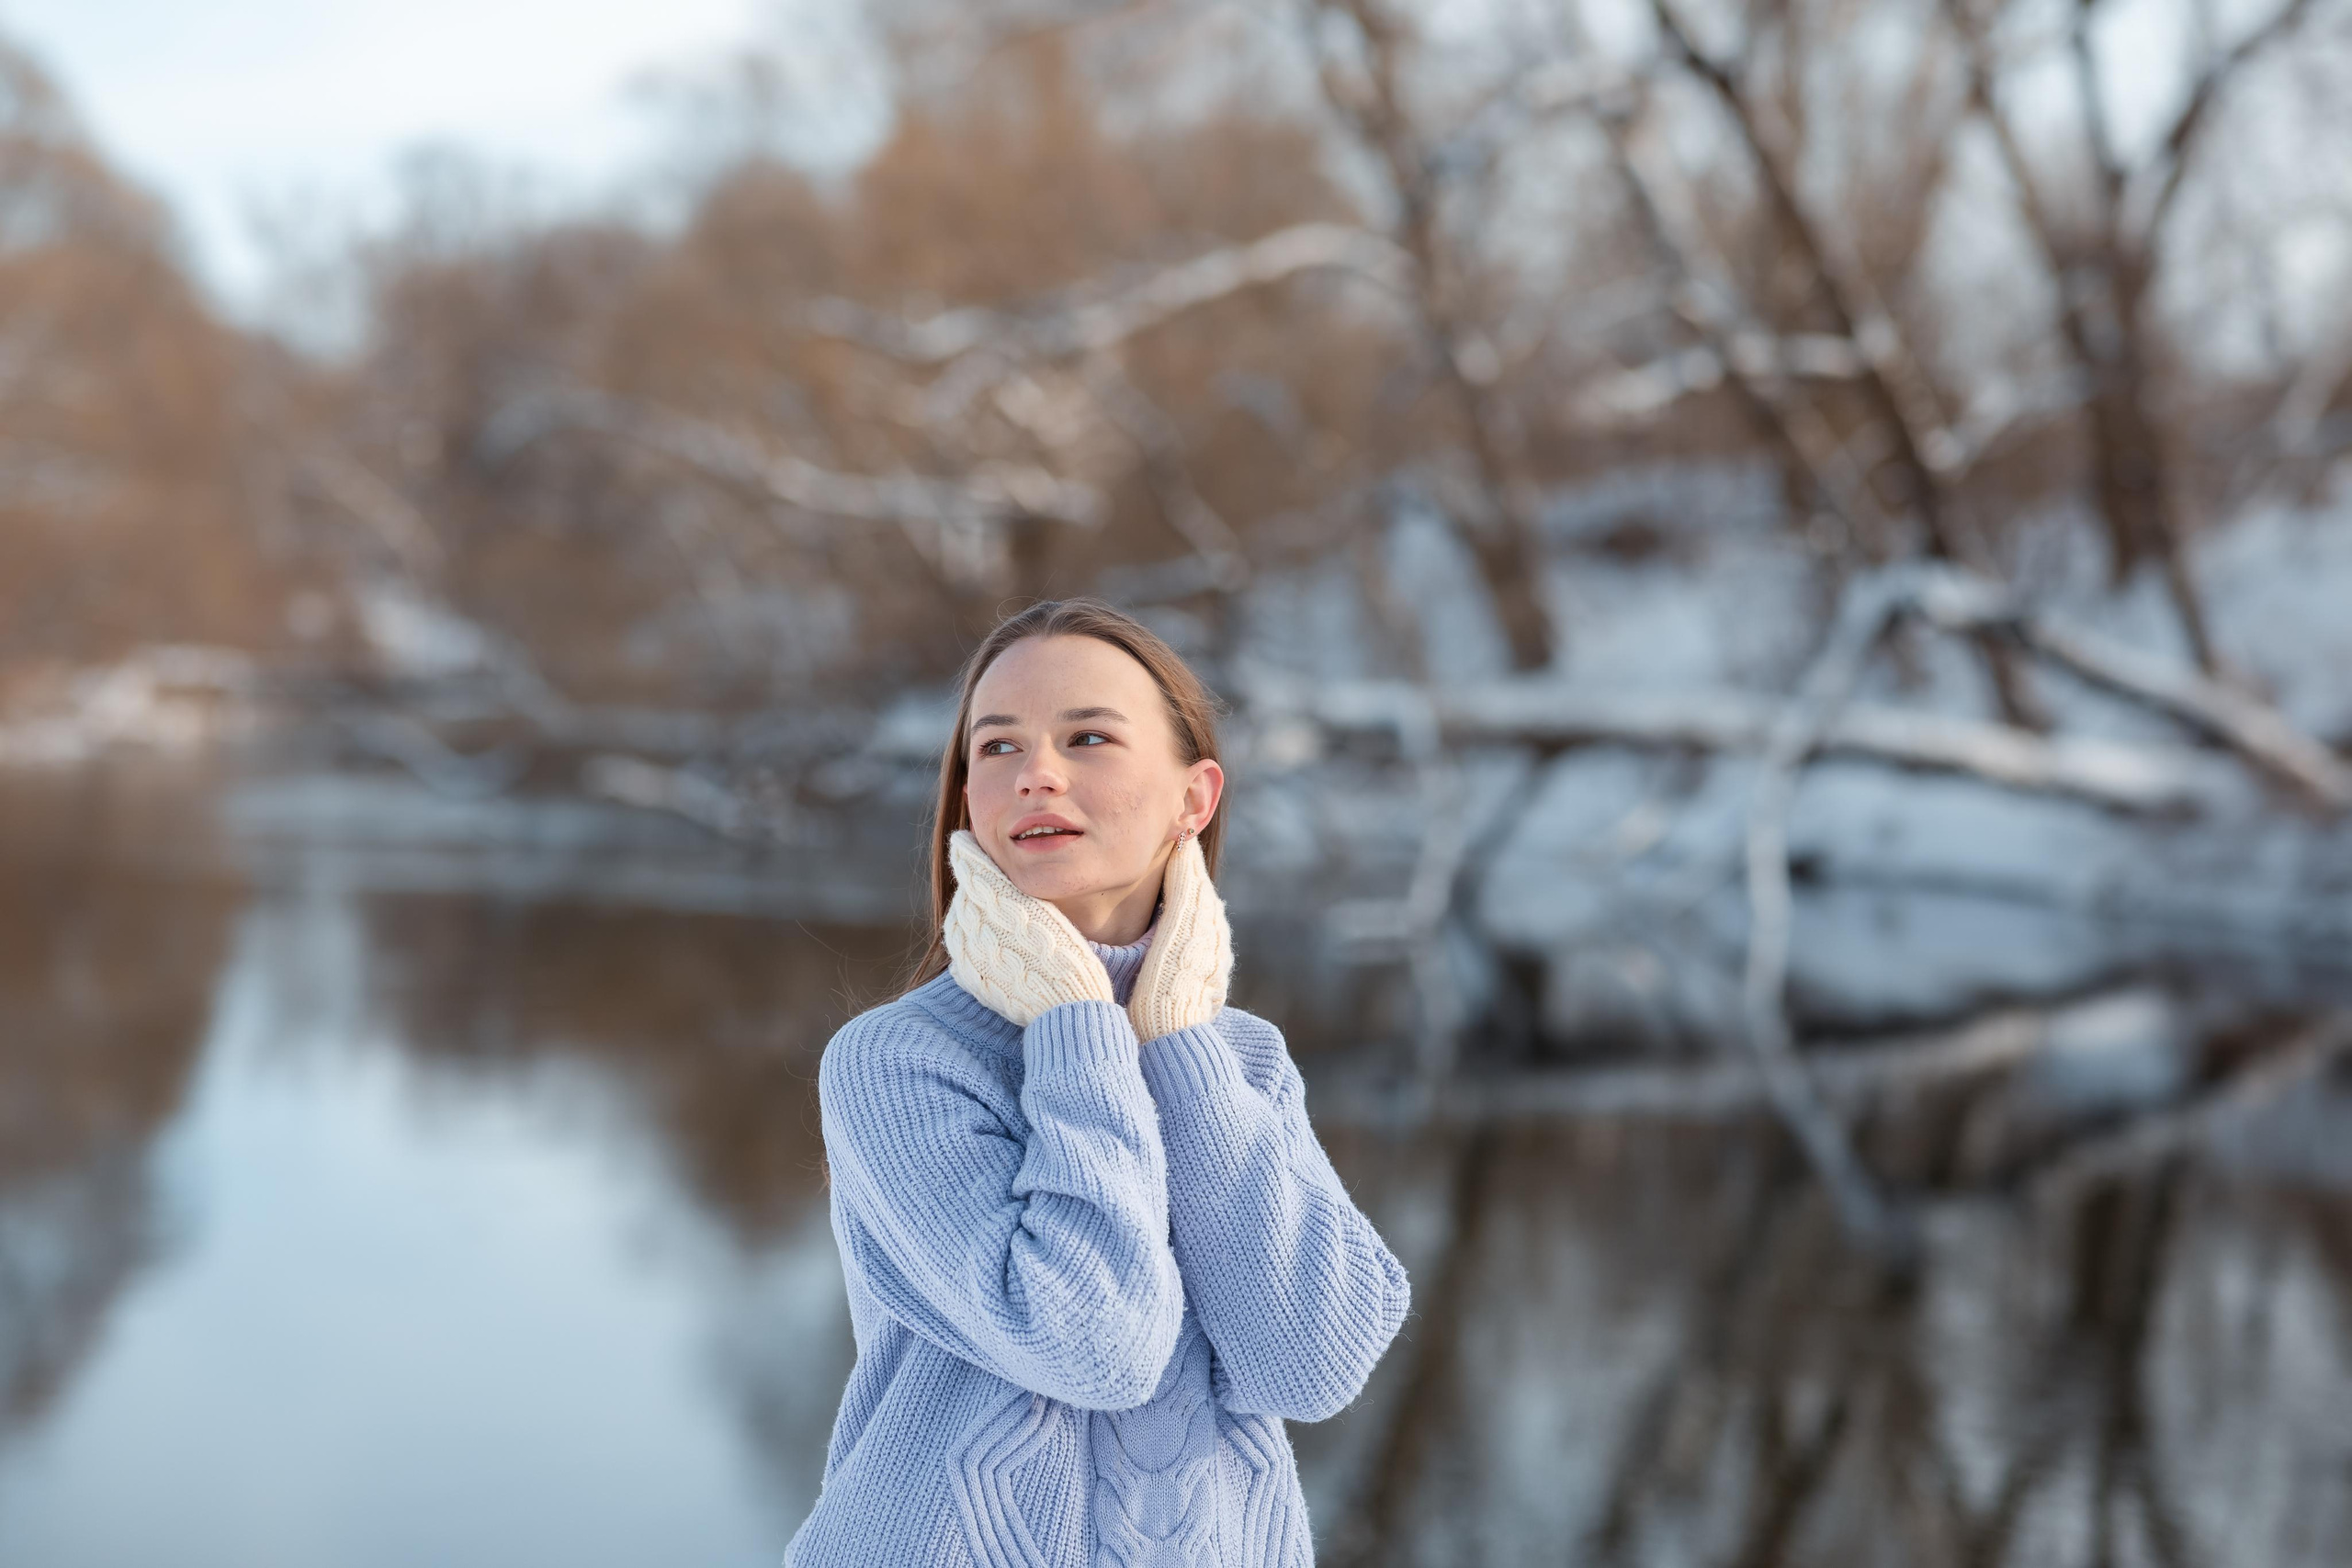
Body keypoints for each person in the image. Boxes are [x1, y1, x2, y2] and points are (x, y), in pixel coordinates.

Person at [784, 598, 1412, 1567]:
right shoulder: (898, 1062)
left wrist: (1178, 1047)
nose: (1035, 773)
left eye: (1087, 738)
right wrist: (1079, 1029)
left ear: (1194, 799)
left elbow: (1310, 1365)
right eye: (997, 748)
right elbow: (1093, 1348)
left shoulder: (1240, 1060)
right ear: (967, 801)